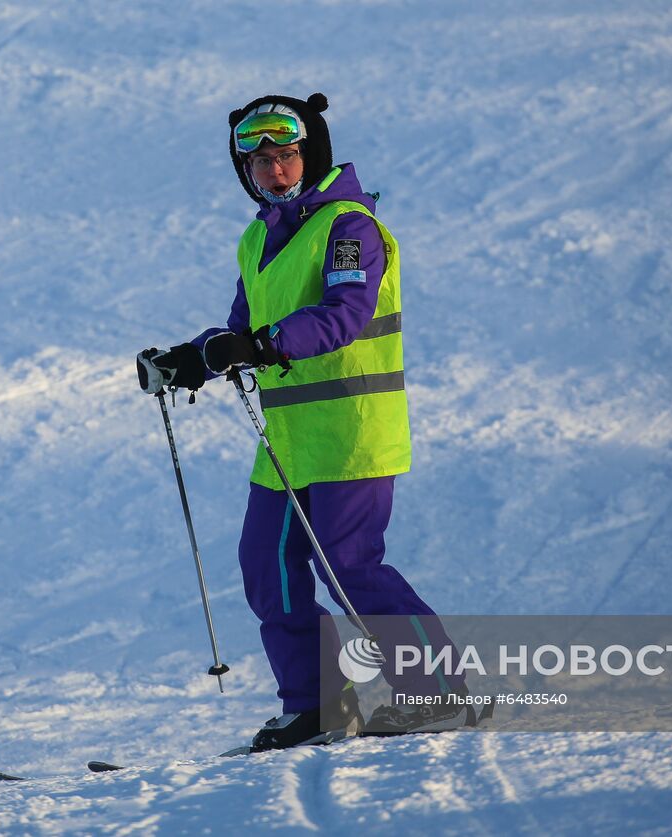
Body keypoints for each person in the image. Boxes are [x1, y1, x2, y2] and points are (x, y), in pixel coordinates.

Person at [138, 93, 469, 751]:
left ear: (309, 153)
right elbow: (241, 330)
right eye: (260, 161)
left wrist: (262, 345)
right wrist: (187, 361)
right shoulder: (258, 237)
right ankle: (318, 703)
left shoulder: (349, 227)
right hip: (288, 441)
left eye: (286, 155)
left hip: (351, 433)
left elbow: (344, 314)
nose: (275, 170)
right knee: (268, 567)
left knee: (351, 566)